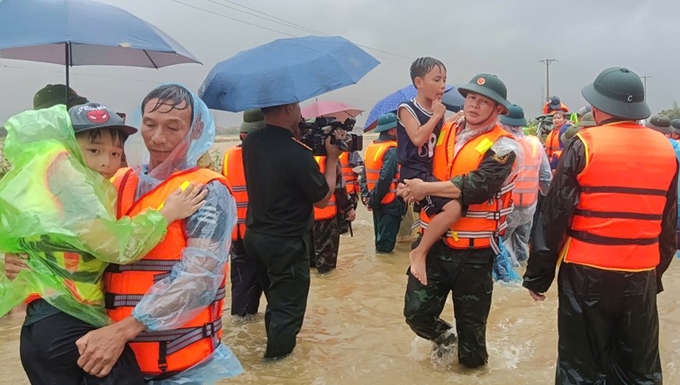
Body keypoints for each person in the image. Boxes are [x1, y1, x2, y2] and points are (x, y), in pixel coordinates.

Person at [0, 102, 206, 384]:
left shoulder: (42, 187)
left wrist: (16, 260)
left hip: (41, 327)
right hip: (68, 324)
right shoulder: (72, 190)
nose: (106, 163)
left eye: (115, 153)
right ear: (68, 149)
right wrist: (165, 213)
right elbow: (119, 247)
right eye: (93, 151)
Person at [73, 84, 243, 384]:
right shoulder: (116, 180)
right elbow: (80, 243)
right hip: (111, 358)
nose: (158, 137)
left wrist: (124, 329)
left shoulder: (207, 192)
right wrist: (30, 262)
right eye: (149, 124)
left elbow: (198, 278)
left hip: (178, 362)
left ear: (196, 130)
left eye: (173, 127)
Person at [523, 67, 678, 384]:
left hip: (586, 274)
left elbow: (554, 214)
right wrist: (655, 277)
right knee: (638, 368)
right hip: (641, 276)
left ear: (599, 107)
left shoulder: (584, 144)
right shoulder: (666, 149)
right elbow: (668, 225)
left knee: (580, 367)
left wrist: (538, 276)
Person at [399, 73, 522, 368]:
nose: (475, 105)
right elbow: (421, 154)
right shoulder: (448, 125)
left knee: (472, 337)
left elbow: (476, 187)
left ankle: (470, 369)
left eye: (484, 102)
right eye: (471, 98)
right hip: (435, 243)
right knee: (416, 314)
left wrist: (425, 188)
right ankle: (445, 341)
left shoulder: (505, 146)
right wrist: (410, 186)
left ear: (499, 111)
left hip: (475, 255)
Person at [242, 101, 345, 360]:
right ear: (289, 108)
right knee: (288, 310)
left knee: (276, 303)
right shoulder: (296, 152)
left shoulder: (251, 142)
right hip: (285, 242)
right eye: (298, 108)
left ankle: (271, 351)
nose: (301, 114)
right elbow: (322, 197)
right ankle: (276, 367)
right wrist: (331, 160)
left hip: (255, 237)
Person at [396, 57, 463, 286]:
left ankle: (428, 250)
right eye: (437, 79)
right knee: (453, 208)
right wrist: (436, 115)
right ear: (418, 82)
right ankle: (419, 252)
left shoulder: (439, 111)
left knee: (457, 199)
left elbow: (440, 139)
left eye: (444, 79)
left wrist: (454, 119)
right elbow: (417, 138)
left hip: (430, 172)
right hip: (414, 172)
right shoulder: (407, 108)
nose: (442, 85)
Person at [222, 109, 265, 318]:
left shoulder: (228, 155)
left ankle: (243, 329)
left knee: (241, 289)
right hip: (261, 232)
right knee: (274, 289)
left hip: (236, 234)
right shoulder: (266, 154)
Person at [498, 104, 551, 266]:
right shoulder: (535, 144)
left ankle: (508, 282)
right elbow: (546, 177)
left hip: (507, 206)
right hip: (528, 206)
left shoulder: (503, 144)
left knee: (501, 246)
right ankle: (522, 276)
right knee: (522, 245)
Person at [360, 112, 405, 253]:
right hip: (389, 203)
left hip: (376, 201)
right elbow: (385, 179)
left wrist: (366, 196)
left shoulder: (371, 147)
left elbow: (364, 174)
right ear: (392, 130)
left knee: (379, 240)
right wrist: (373, 200)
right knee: (386, 246)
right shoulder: (391, 150)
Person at [310, 155, 355, 273]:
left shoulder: (303, 155)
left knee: (311, 261)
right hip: (327, 216)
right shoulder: (329, 159)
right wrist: (348, 207)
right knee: (326, 266)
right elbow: (339, 187)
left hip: (306, 217)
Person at [339, 150, 363, 234]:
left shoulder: (328, 151)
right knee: (347, 219)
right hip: (349, 191)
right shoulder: (350, 151)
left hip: (335, 192)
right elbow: (359, 168)